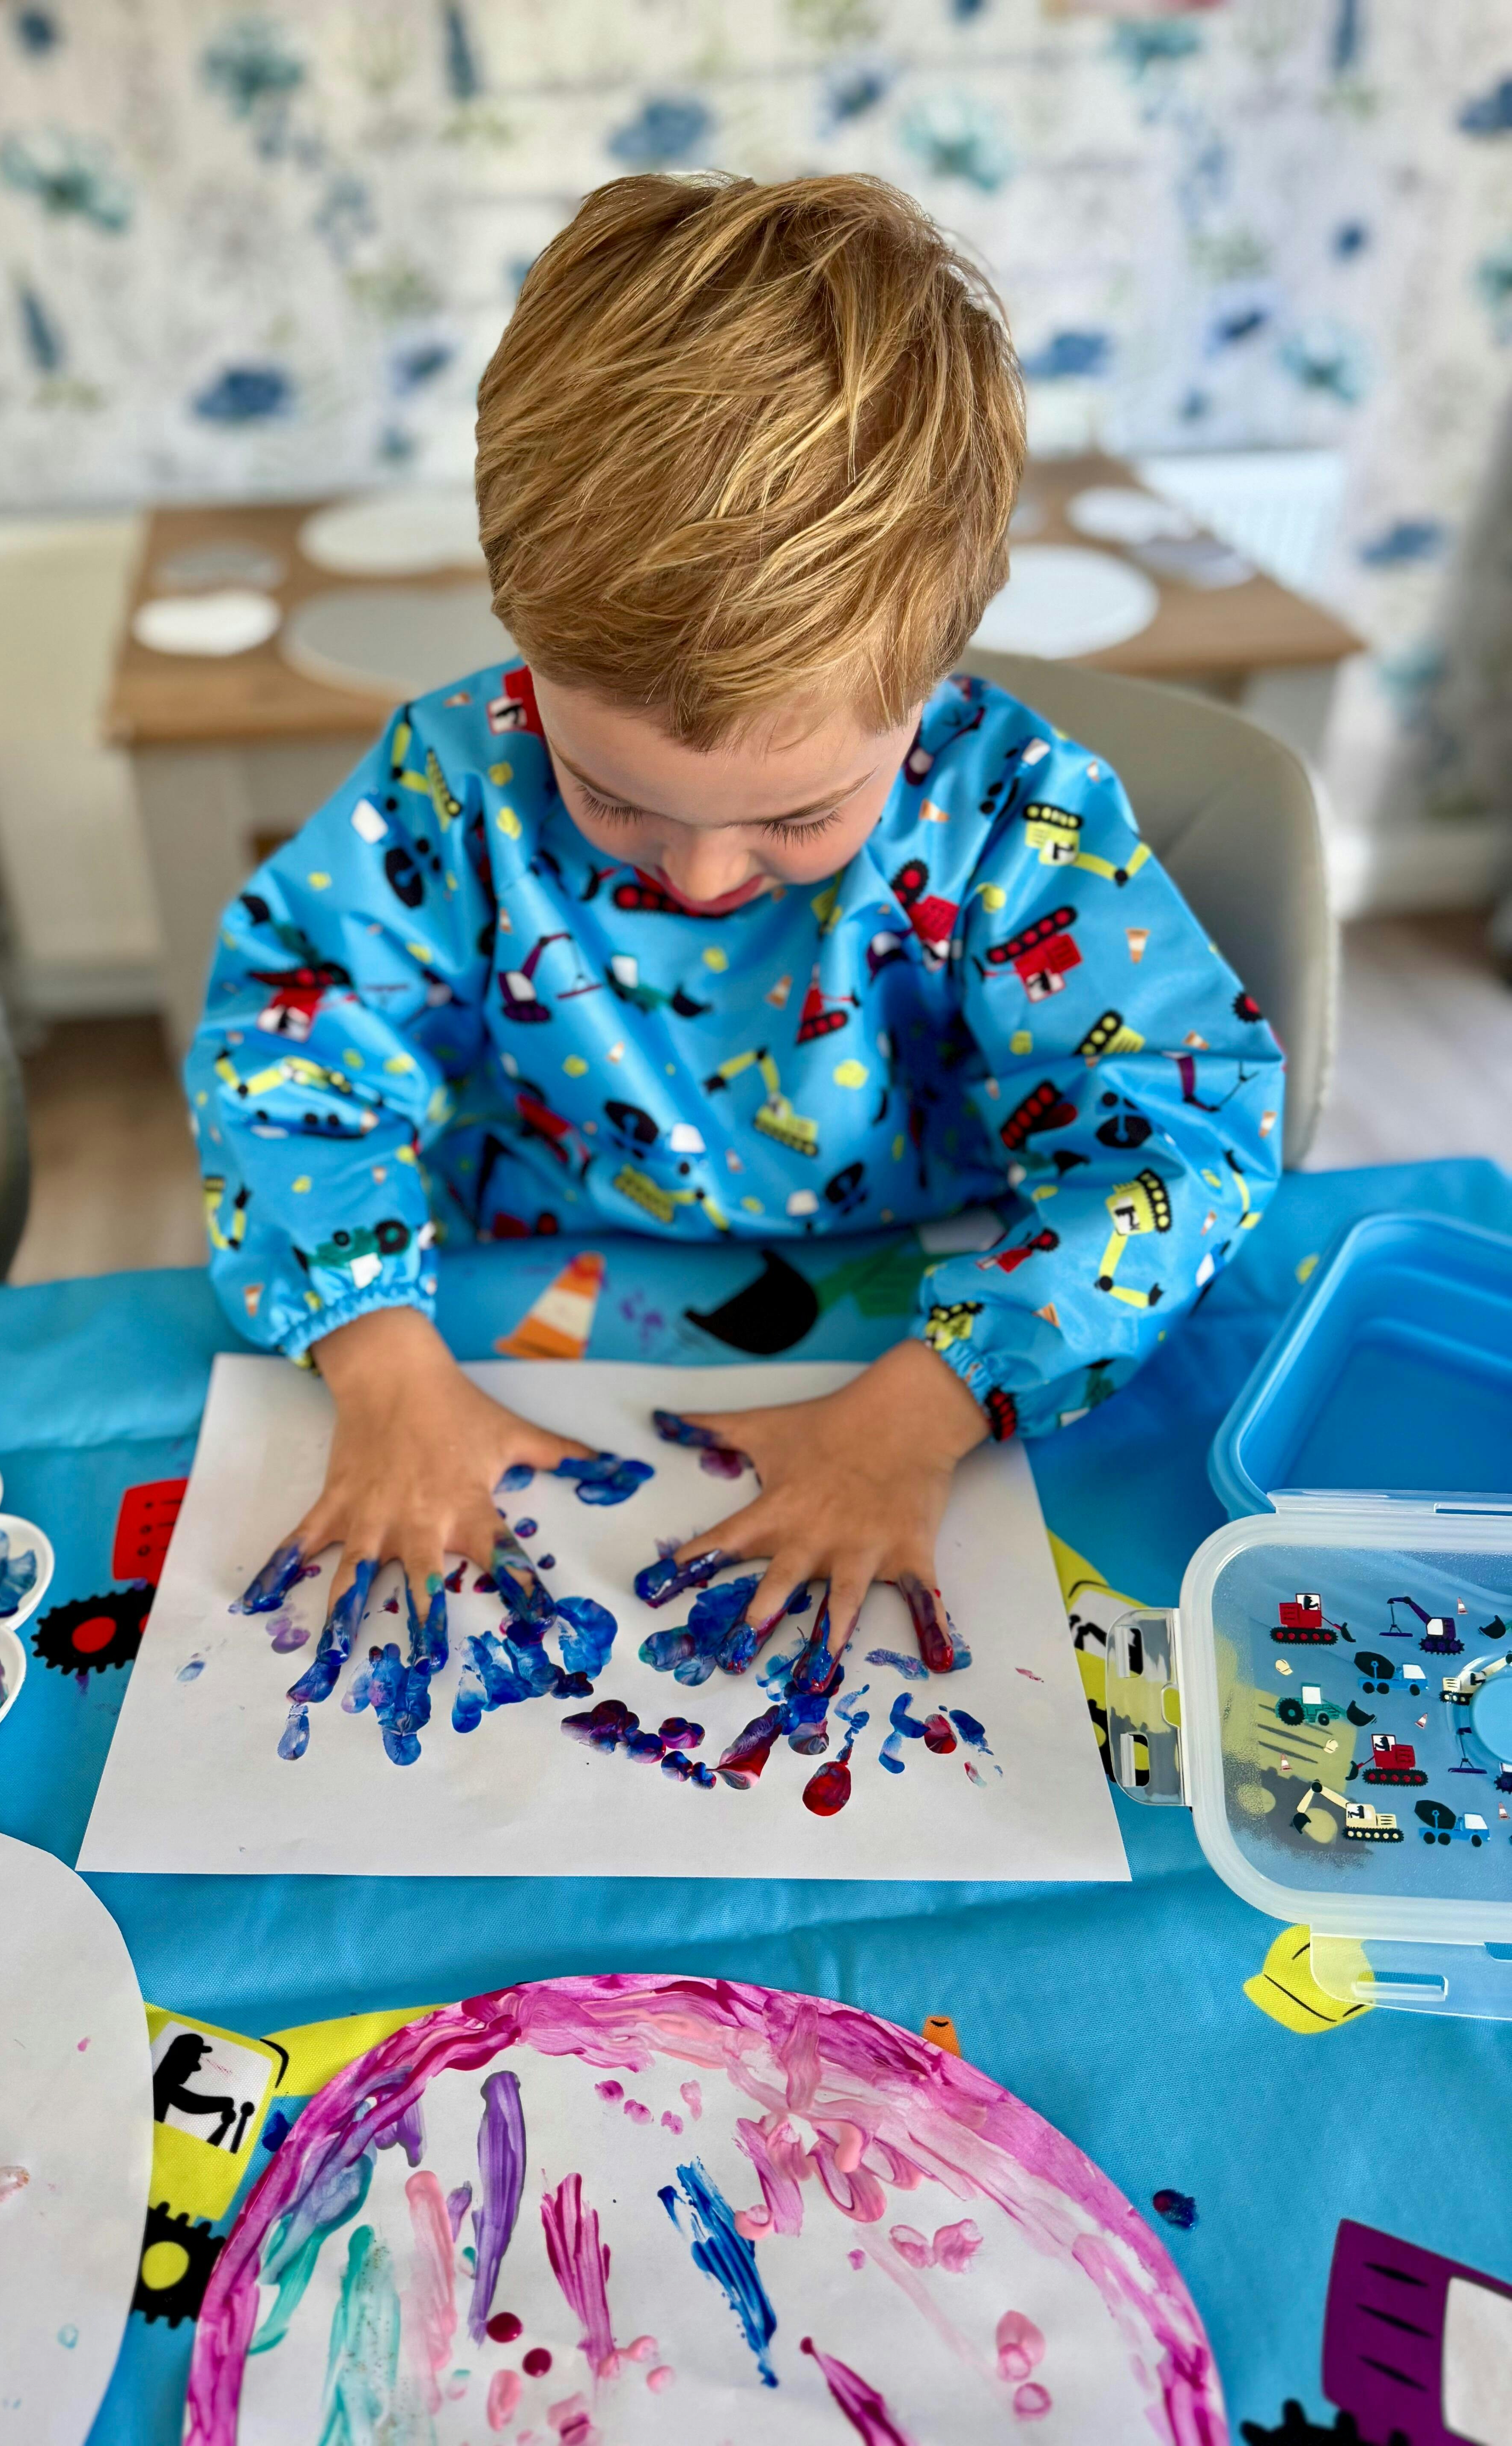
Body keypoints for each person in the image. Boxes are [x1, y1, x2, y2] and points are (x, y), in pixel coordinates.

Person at [188, 170, 1282, 1669]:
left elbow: (1185, 1142)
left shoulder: (1005, 819)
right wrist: (379, 1363)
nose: (698, 880)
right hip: (525, 1291)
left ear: (927, 682)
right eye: (608, 793)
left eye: (798, 815)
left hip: (927, 1293)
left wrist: (928, 1411)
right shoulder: (450, 778)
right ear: (519, 627)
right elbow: (288, 1038)